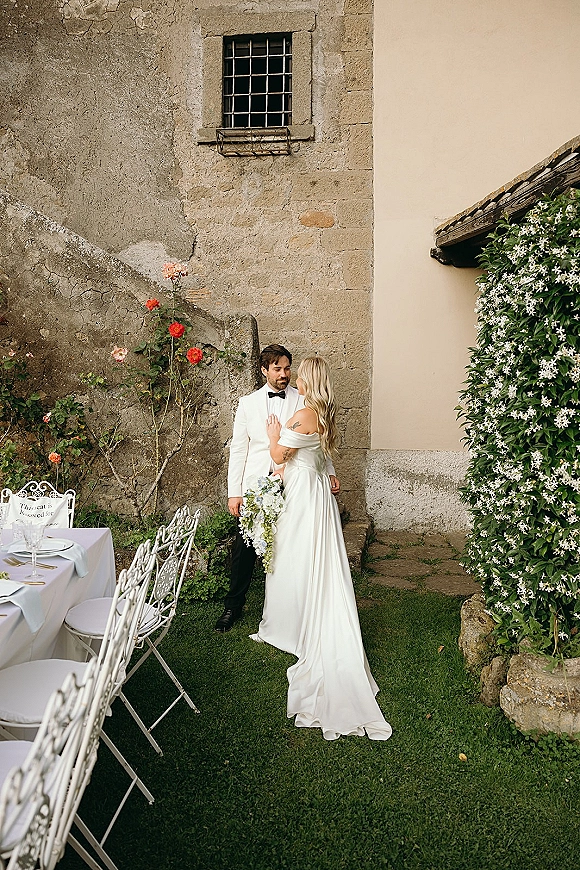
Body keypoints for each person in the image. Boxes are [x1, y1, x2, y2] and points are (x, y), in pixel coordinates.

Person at [250, 356, 392, 741]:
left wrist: (275, 433)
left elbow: (279, 455)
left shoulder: (303, 415)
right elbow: (321, 458)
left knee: (294, 560)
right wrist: (327, 473)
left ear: (307, 380)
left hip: (303, 501)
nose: (292, 378)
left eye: (298, 375)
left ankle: (289, 627)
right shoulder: (324, 414)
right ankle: (291, 621)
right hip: (315, 495)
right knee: (312, 560)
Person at [215, 344, 339, 632]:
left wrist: (330, 472)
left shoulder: (305, 399)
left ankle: (295, 609)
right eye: (277, 369)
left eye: (287, 368)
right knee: (244, 547)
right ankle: (232, 607)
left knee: (293, 548)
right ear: (264, 370)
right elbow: (238, 449)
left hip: (296, 483)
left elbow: (317, 441)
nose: (284, 374)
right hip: (258, 484)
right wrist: (235, 492)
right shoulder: (247, 404)